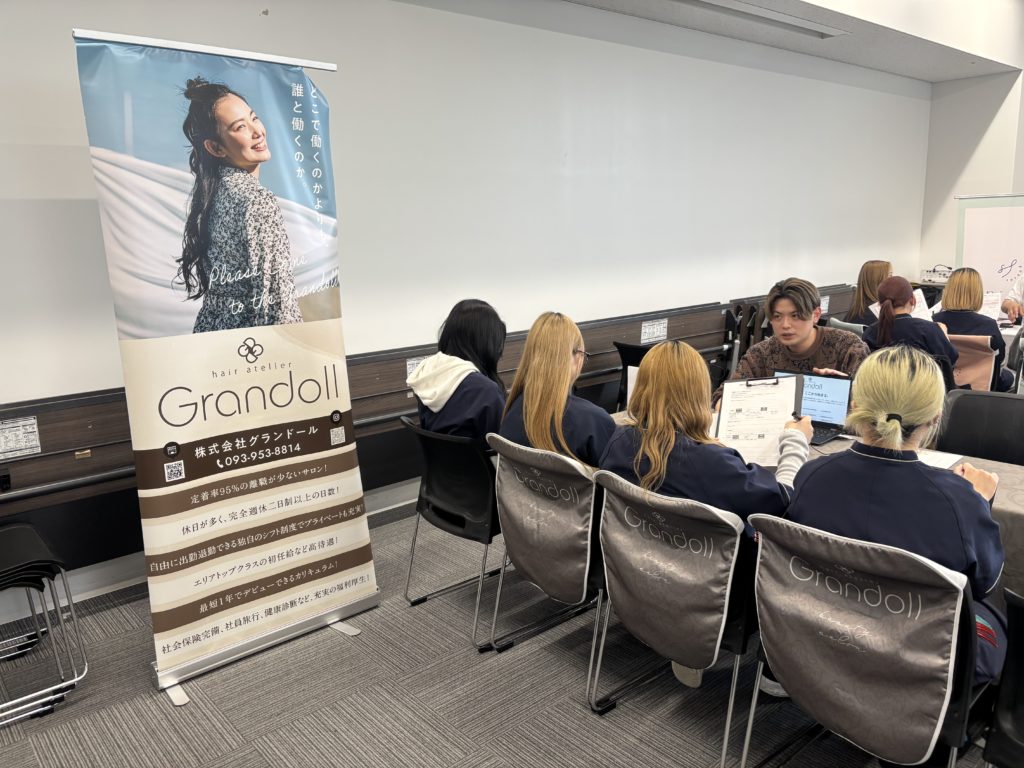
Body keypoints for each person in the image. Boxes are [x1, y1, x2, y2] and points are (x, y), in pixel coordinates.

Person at [786, 345, 1005, 686]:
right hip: (918, 662)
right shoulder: (959, 502)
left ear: (855, 406)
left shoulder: (811, 477)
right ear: (936, 416)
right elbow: (983, 583)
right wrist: (980, 502)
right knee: (997, 609)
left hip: (821, 636)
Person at [600, 340, 811, 520]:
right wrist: (796, 439)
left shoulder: (619, 440)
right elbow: (784, 501)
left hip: (635, 550)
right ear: (698, 392)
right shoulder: (713, 463)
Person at [177, 77, 302, 333]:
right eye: (240, 127)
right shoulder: (257, 200)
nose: (258, 132)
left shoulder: (212, 194)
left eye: (254, 118)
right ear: (215, 148)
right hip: (253, 345)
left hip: (211, 335)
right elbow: (277, 303)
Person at [714, 278, 869, 404]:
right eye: (777, 316)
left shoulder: (848, 347)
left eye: (795, 316)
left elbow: (872, 407)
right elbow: (721, 399)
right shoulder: (761, 353)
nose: (785, 325)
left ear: (816, 315)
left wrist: (846, 391)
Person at [499, 312, 615, 465]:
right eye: (582, 353)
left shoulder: (512, 409)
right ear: (573, 357)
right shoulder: (593, 422)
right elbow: (616, 477)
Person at [406, 300, 507, 440]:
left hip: (440, 454)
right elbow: (503, 441)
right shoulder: (484, 390)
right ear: (487, 343)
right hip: (480, 455)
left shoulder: (427, 372)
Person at [932, 267, 1014, 391]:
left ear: (948, 291)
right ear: (978, 293)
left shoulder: (933, 322)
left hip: (942, 386)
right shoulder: (988, 325)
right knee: (1008, 376)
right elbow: (999, 359)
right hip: (980, 391)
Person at [863, 276, 958, 365]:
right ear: (912, 300)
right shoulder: (930, 329)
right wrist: (944, 335)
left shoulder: (870, 332)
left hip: (882, 378)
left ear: (879, 304)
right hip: (923, 378)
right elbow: (950, 360)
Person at [844, 259, 891, 326]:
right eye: (890, 275)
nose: (893, 279)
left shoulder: (856, 310)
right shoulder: (876, 313)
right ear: (877, 280)